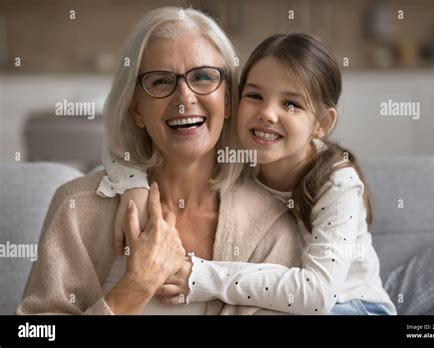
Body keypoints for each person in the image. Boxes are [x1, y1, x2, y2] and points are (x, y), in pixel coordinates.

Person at [17, 7, 302, 316]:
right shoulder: (77, 207)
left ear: (229, 101)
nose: (184, 97)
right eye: (161, 81)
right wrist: (135, 287)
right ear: (136, 109)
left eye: (204, 77)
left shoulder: (271, 225)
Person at [111, 33, 397, 315]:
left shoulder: (338, 184)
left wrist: (203, 277)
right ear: (234, 102)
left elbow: (317, 295)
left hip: (352, 306)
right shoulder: (244, 152)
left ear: (322, 123)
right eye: (255, 96)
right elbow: (126, 146)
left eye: (291, 104)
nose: (267, 113)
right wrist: (133, 185)